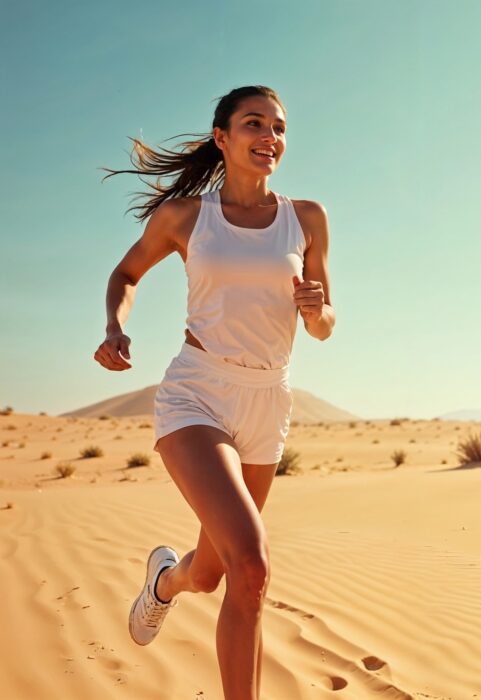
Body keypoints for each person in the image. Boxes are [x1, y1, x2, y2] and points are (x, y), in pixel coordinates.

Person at [96, 85, 335, 700]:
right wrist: (116, 326)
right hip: (197, 394)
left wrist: (314, 311)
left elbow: (325, 322)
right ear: (221, 139)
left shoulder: (306, 218)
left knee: (213, 571)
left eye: (279, 127)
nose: (270, 137)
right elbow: (126, 273)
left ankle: (165, 584)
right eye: (254, 124)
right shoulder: (185, 218)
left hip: (268, 400)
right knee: (251, 568)